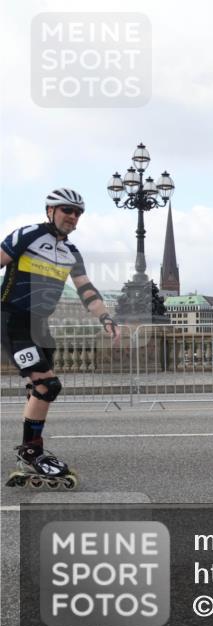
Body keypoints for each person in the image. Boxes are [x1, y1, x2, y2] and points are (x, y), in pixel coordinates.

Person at [1, 188, 121, 488]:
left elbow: (86, 290)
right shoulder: (27, 235)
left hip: (40, 326)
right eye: (67, 209)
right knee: (47, 383)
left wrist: (106, 318)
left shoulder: (71, 252)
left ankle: (30, 450)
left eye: (78, 212)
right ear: (50, 210)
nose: (73, 216)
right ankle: (32, 453)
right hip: (12, 319)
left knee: (39, 390)